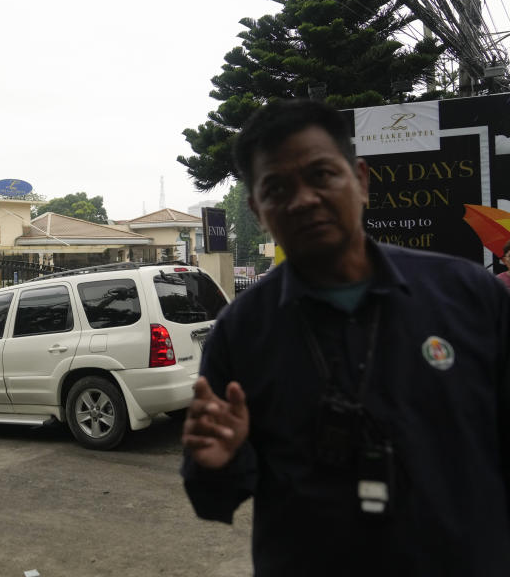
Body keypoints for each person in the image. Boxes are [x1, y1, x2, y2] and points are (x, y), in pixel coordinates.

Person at [180, 99, 510, 575]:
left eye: (321, 175)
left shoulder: (470, 297)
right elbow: (214, 502)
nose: (305, 199)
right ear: (258, 209)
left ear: (361, 180)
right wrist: (217, 462)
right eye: (277, 188)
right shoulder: (241, 331)